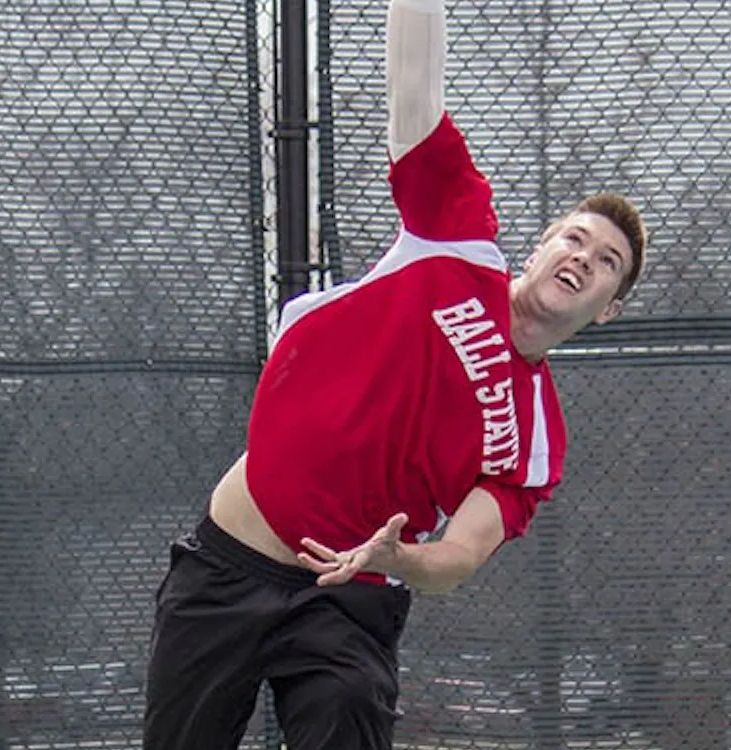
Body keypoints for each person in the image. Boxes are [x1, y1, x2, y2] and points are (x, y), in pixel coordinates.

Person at [143, 0, 648, 748]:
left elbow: (458, 558)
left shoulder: (535, 438)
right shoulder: (458, 242)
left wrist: (399, 558)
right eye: (574, 238)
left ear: (607, 308)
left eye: (607, 263)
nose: (583, 259)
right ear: (541, 244)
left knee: (350, 707)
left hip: (347, 600)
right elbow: (413, 88)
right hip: (229, 565)